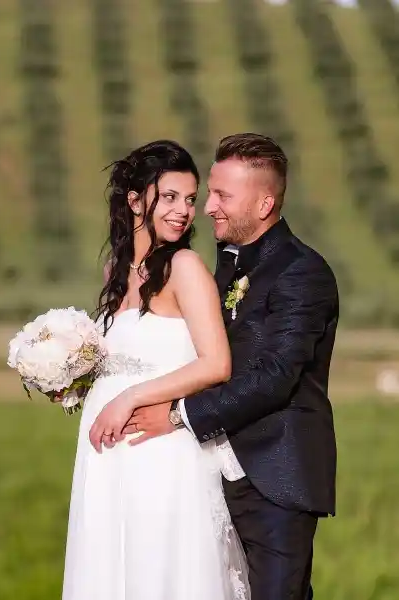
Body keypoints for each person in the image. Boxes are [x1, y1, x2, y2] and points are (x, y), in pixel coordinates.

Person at [107, 133, 339, 600]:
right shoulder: (226, 265)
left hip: (274, 480)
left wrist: (177, 415)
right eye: (208, 194)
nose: (208, 208)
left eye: (221, 196)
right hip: (206, 476)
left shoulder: (302, 272)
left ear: (264, 203)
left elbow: (275, 378)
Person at [60, 139, 250, 600]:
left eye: (190, 198)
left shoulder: (185, 267)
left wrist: (129, 397)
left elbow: (216, 363)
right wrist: (72, 382)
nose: (183, 211)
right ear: (135, 200)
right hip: (108, 455)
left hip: (160, 449)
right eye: (169, 197)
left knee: (159, 568)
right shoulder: (115, 270)